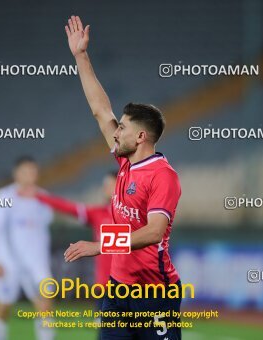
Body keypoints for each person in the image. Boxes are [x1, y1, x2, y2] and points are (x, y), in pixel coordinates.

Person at [63, 16, 183, 340]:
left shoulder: (163, 177)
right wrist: (80, 56)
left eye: (123, 128)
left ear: (141, 136)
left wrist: (99, 246)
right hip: (117, 291)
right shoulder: (125, 161)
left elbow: (154, 232)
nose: (115, 131)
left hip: (154, 294)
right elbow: (100, 110)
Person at [0, 156, 54, 340]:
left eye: (33, 171)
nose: (30, 175)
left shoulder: (43, 197)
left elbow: (45, 227)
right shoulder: (4, 197)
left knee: (45, 306)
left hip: (37, 263)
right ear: (16, 173)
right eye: (26, 171)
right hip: (10, 262)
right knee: (3, 308)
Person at [35, 171, 116, 291]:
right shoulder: (98, 213)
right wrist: (40, 196)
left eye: (109, 184)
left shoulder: (133, 214)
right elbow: (69, 207)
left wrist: (97, 246)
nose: (105, 188)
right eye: (104, 185)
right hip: (104, 283)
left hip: (131, 283)